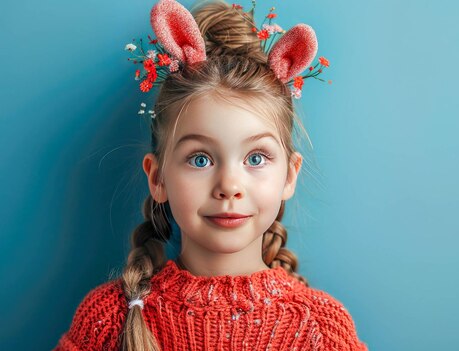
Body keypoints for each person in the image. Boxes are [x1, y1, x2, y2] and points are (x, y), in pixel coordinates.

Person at [53, 0, 368, 350]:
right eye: (200, 159)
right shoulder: (111, 319)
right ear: (157, 178)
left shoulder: (322, 329)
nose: (229, 186)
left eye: (256, 158)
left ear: (289, 176)